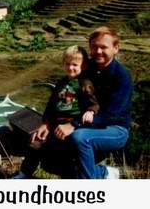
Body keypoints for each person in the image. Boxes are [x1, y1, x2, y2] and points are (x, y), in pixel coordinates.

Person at [53, 27, 133, 179]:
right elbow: (63, 87)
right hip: (86, 123)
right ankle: (104, 173)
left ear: (116, 48)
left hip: (115, 128)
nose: (98, 51)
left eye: (103, 47)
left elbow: (111, 114)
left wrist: (74, 125)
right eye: (94, 47)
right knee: (55, 162)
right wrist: (48, 122)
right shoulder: (86, 68)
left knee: (80, 138)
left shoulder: (122, 76)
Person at [14, 45, 99, 179]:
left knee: (64, 154)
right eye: (67, 64)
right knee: (36, 142)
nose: (70, 68)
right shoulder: (60, 83)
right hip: (55, 123)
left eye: (75, 65)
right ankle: (24, 173)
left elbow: (93, 102)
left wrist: (91, 111)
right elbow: (51, 106)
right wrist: (45, 123)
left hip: (71, 125)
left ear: (83, 66)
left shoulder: (85, 83)